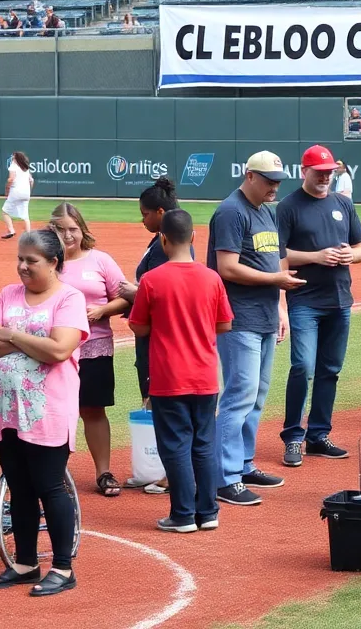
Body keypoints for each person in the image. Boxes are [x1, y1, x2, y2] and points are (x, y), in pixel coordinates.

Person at [0, 229, 89, 595]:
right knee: (20, 488)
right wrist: (31, 343)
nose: (22, 267)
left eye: (32, 261)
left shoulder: (69, 299)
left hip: (47, 412)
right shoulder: (8, 294)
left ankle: (62, 568)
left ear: (54, 262)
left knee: (49, 487)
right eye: (20, 260)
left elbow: (59, 350)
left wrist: (11, 335)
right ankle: (25, 563)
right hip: (8, 411)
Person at [129, 209, 233, 533]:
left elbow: (138, 326)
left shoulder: (152, 280)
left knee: (175, 445)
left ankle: (183, 514)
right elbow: (225, 324)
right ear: (193, 237)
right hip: (204, 376)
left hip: (168, 377)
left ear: (162, 239)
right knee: (203, 443)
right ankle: (208, 511)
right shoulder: (211, 278)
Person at [210, 151, 304, 506]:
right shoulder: (231, 211)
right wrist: (275, 280)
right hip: (238, 318)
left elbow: (278, 256)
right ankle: (224, 476)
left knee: (257, 396)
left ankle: (244, 463)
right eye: (269, 180)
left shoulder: (266, 210)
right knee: (239, 396)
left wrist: (280, 305)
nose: (275, 186)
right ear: (250, 176)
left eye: (279, 180)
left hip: (264, 315)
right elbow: (227, 267)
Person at [278, 145, 361, 467]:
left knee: (331, 369)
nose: (325, 177)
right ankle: (293, 436)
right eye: (319, 172)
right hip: (304, 298)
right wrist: (316, 257)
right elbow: (279, 255)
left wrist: (350, 256)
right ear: (305, 171)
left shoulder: (343, 203)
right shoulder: (288, 207)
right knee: (303, 366)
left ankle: (318, 435)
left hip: (340, 298)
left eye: (329, 172)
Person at [51, 203, 130, 496]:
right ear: (52, 231)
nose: (68, 235)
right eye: (62, 229)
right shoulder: (48, 261)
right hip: (56, 349)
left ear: (82, 230)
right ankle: (54, 473)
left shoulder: (100, 260)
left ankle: (104, 472)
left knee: (93, 410)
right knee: (57, 411)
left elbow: (125, 296)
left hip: (94, 346)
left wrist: (102, 310)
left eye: (73, 229)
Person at [116, 177, 184, 408]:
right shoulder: (162, 241)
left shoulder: (167, 246)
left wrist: (132, 292)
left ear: (161, 212)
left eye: (145, 214)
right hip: (155, 335)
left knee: (155, 401)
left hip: (158, 336)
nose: (142, 219)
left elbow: (163, 295)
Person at [0, 151, 34, 238]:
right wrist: (29, 191)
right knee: (25, 215)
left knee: (5, 212)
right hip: (26, 193)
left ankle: (11, 230)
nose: (12, 158)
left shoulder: (13, 166)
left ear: (16, 158)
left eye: (14, 157)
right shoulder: (25, 168)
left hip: (16, 192)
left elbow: (11, 179)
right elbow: (31, 180)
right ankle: (28, 235)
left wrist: (7, 190)